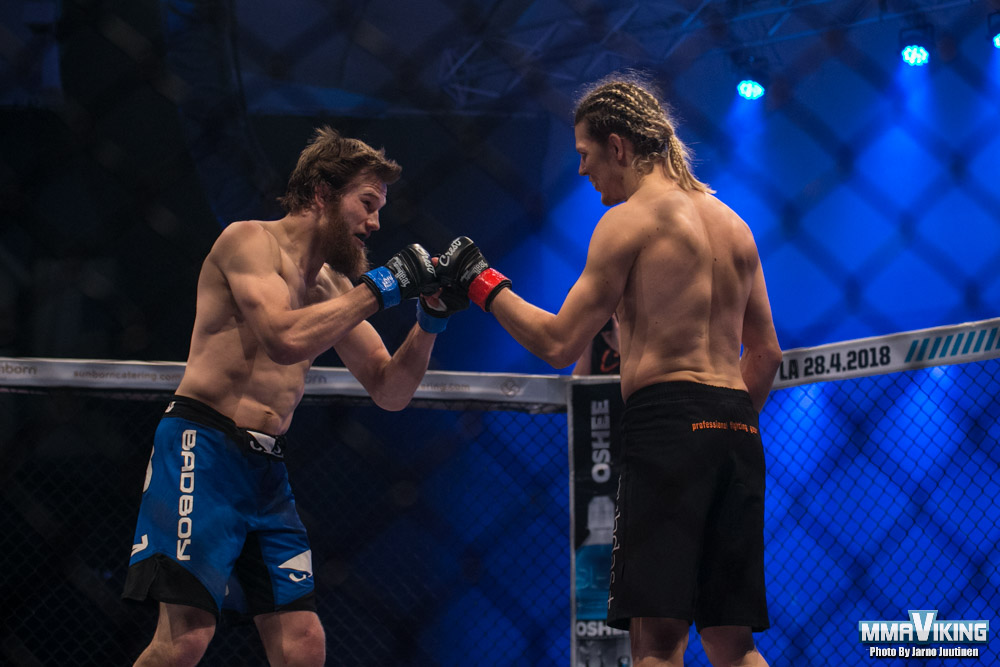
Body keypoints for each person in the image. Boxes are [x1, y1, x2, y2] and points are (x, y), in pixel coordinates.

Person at [433, 74, 782, 667]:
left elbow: (557, 342)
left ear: (617, 146)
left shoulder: (629, 221)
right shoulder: (735, 226)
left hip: (667, 426)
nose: (581, 170)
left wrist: (481, 283)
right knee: (732, 642)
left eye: (585, 154)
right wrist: (720, 423)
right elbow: (767, 354)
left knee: (657, 641)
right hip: (737, 429)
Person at [123, 127, 462, 666]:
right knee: (185, 638)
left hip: (265, 469)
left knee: (302, 643)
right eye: (367, 203)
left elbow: (390, 389)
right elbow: (283, 338)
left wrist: (431, 319)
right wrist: (382, 287)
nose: (375, 223)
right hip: (202, 444)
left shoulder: (333, 287)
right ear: (323, 193)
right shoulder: (248, 241)